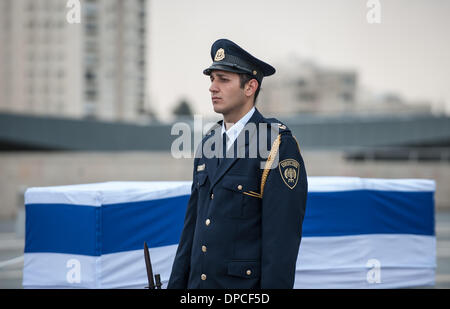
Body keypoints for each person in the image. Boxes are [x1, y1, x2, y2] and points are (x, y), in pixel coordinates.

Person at [167, 39, 308, 289]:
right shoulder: (208, 143)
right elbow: (190, 234)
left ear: (250, 86)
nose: (212, 87)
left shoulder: (276, 145)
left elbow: (281, 246)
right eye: (212, 79)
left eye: (223, 79)